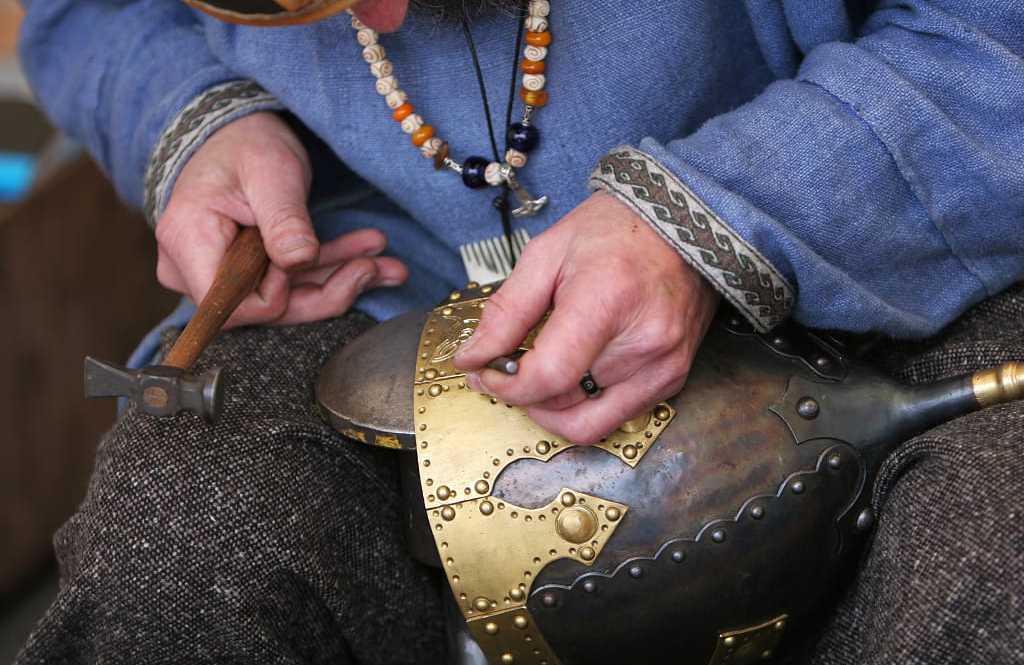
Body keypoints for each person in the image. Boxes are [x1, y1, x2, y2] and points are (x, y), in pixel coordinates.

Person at [14, 0, 1024, 662]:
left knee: (993, 561)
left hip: (873, 250)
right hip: (366, 273)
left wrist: (721, 211)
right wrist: (195, 116)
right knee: (176, 553)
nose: (377, 16)